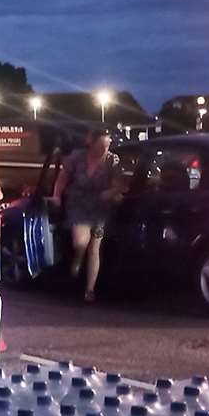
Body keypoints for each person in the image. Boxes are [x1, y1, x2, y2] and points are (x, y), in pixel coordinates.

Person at [52, 126, 123, 303]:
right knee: (81, 242)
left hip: (100, 208)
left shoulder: (112, 160)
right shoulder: (76, 158)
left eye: (107, 146)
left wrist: (112, 192)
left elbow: (118, 184)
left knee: (95, 248)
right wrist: (56, 196)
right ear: (91, 143)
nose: (104, 150)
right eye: (101, 146)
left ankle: (89, 290)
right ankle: (75, 265)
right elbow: (62, 180)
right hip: (78, 205)